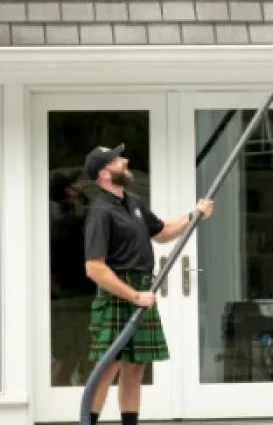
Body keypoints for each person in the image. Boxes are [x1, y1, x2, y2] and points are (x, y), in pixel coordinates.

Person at [82, 143, 213, 425]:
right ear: (104, 173)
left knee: (135, 367)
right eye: (117, 160)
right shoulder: (100, 211)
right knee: (107, 369)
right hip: (119, 291)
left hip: (141, 288)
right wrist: (133, 295)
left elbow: (162, 233)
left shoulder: (133, 201)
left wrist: (194, 215)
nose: (125, 161)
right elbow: (94, 267)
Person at [49, 168, 93, 385]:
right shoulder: (72, 221)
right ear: (69, 190)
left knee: (70, 356)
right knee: (79, 355)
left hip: (70, 293)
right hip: (78, 294)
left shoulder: (61, 218)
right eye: (80, 182)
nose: (85, 184)